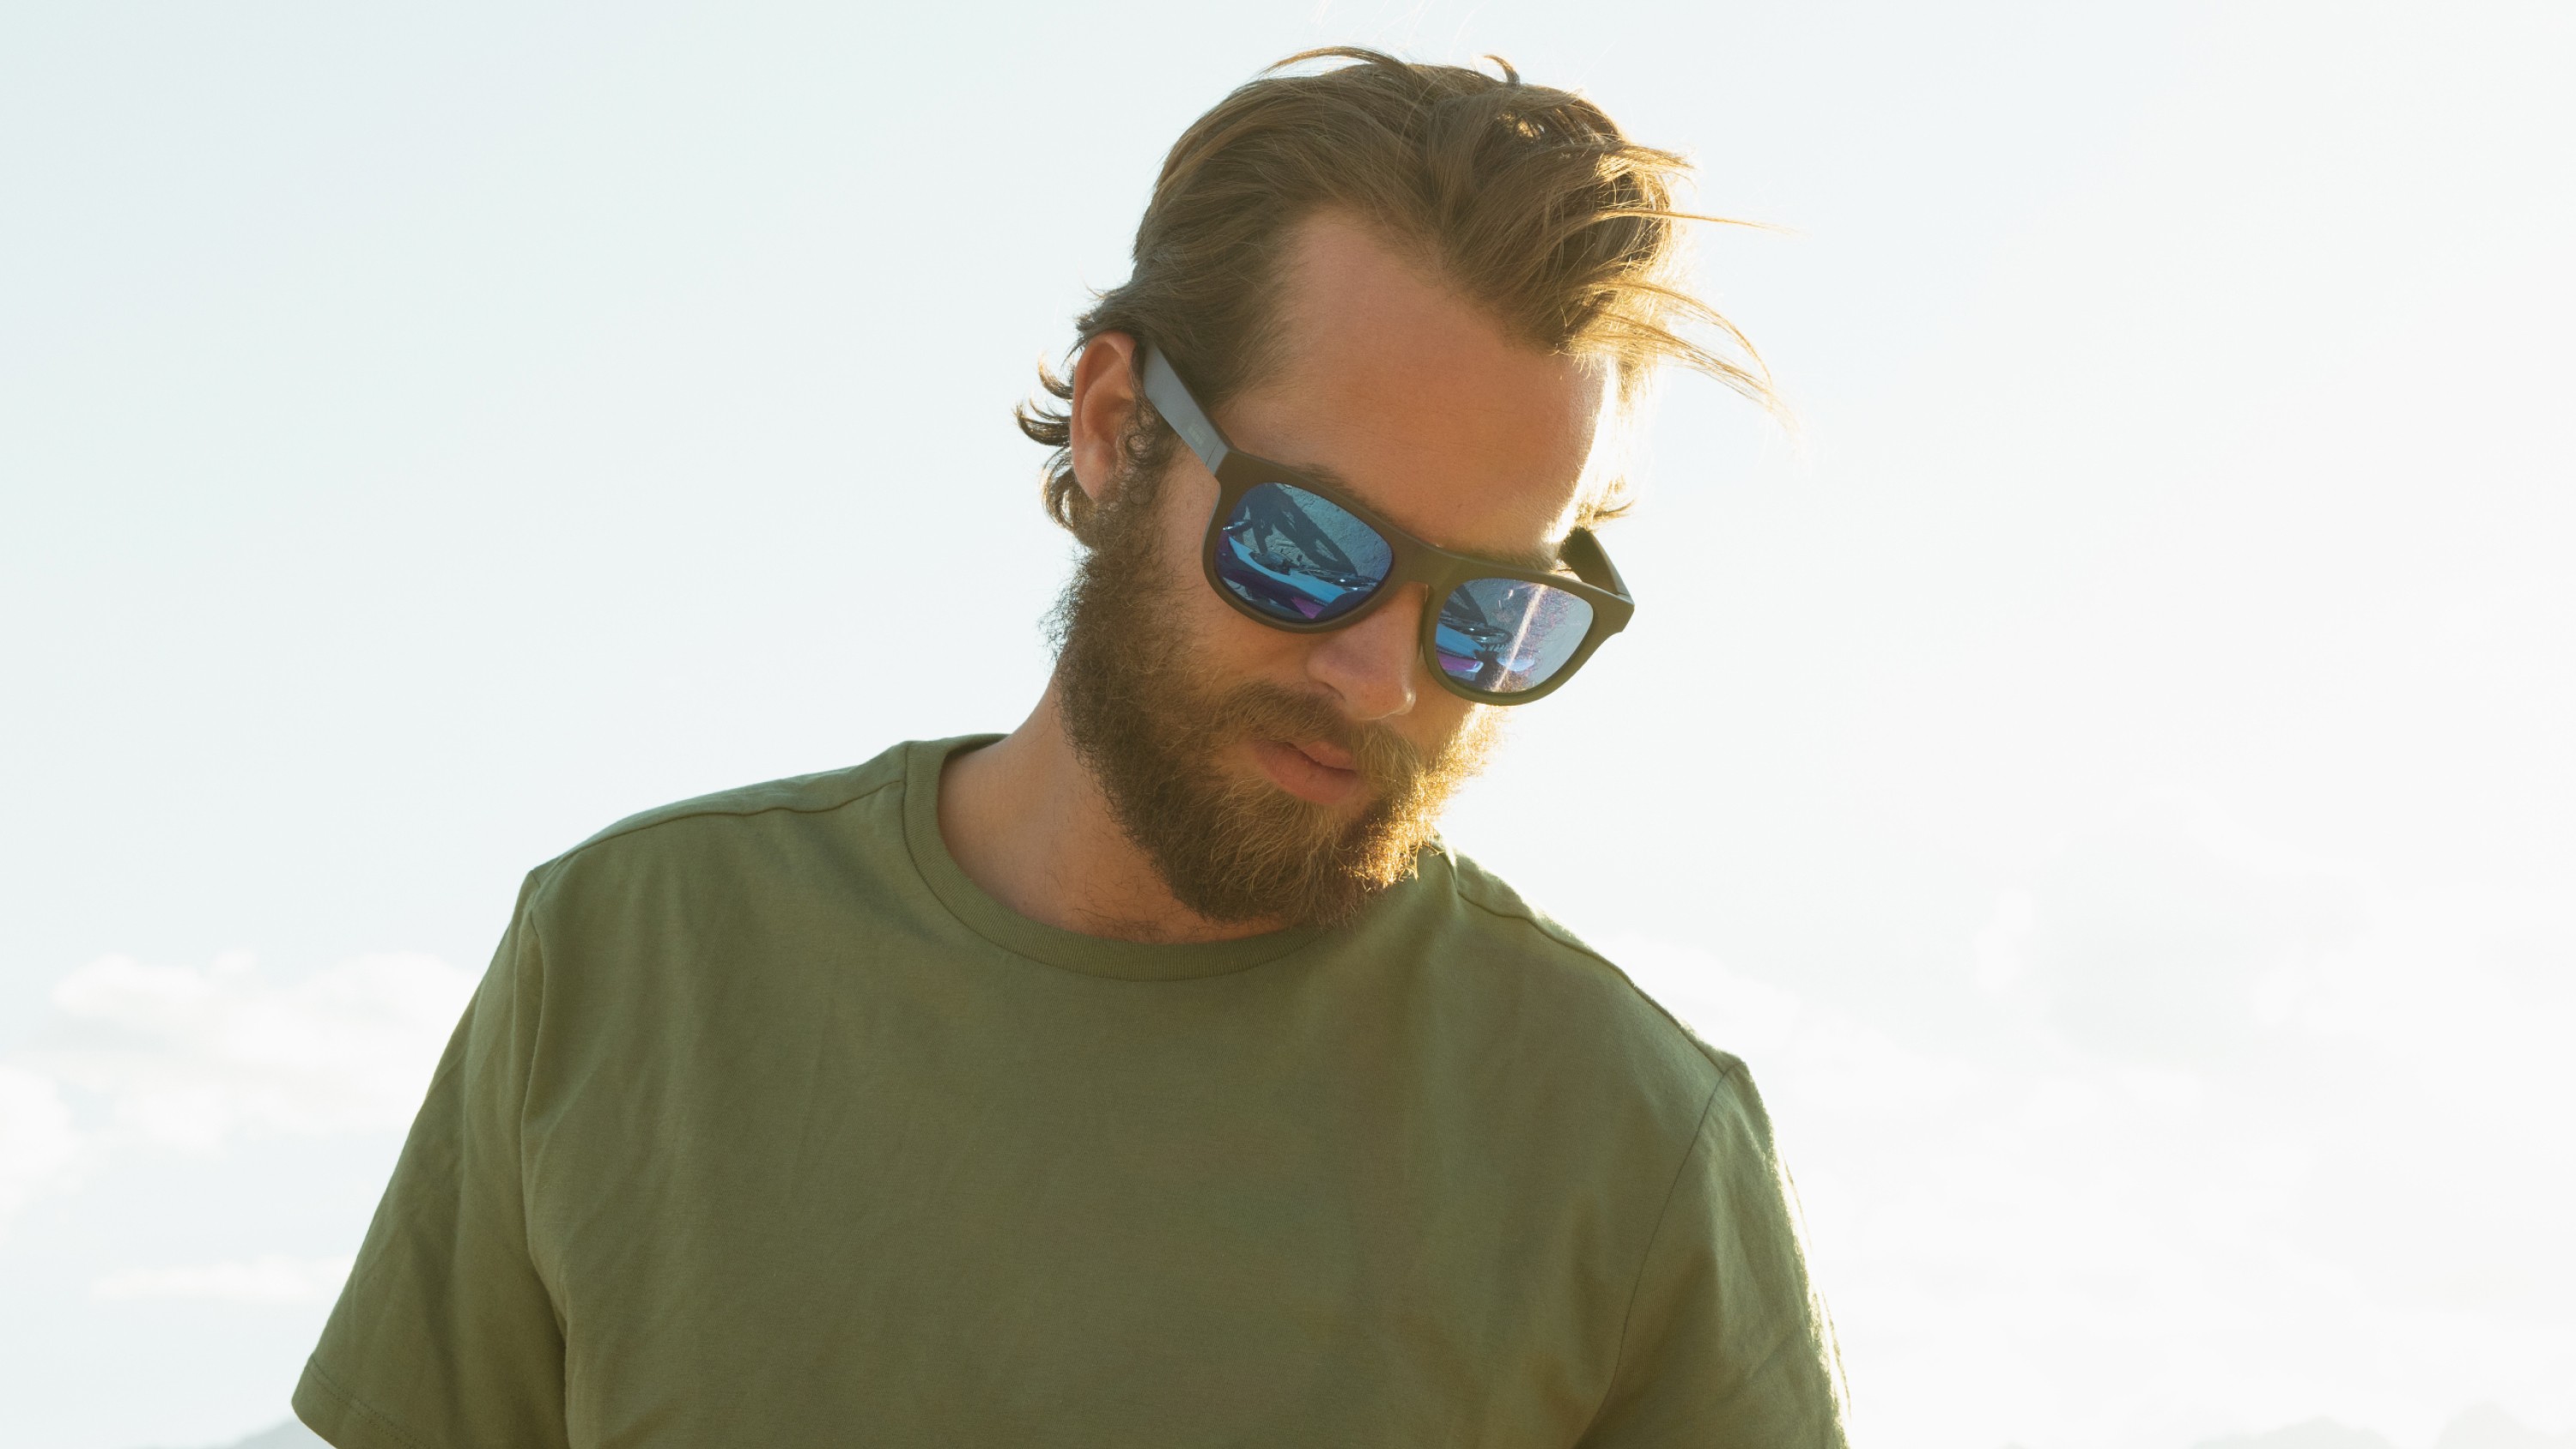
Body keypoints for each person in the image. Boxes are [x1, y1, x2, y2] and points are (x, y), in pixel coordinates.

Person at [295, 47, 1847, 1448]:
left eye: (1488, 612)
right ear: (1116, 430)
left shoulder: (1632, 1148)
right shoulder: (627, 960)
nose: (1383, 682)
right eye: (1311, 546)